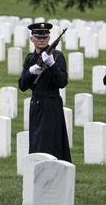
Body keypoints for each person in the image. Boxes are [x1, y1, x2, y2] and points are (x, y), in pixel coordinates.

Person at [18, 22, 70, 162]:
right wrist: (31, 72)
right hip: (37, 105)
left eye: (45, 37)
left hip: (52, 105)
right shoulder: (30, 59)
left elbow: (62, 82)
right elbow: (22, 85)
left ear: (49, 38)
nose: (42, 40)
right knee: (37, 142)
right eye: (38, 37)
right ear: (32, 39)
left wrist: (52, 65)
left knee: (52, 143)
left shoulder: (57, 56)